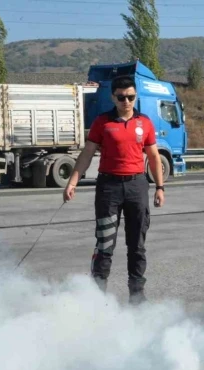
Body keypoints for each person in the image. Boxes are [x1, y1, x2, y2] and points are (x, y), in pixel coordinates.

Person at [63, 75, 166, 304]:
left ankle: (137, 296)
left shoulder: (145, 122)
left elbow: (154, 157)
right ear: (113, 97)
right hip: (109, 188)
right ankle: (97, 297)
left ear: (135, 96)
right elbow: (87, 154)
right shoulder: (103, 122)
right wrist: (72, 182)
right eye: (121, 97)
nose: (126, 101)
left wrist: (159, 187)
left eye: (130, 97)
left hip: (136, 186)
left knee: (137, 245)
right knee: (105, 244)